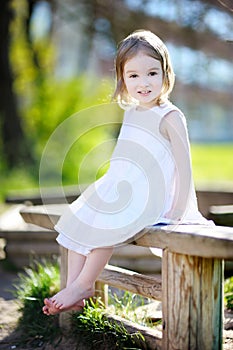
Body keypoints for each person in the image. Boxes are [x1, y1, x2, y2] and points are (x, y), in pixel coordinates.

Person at [43, 29, 211, 316]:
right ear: (122, 78)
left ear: (165, 74)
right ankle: (73, 288)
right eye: (133, 75)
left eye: (152, 73)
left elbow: (185, 168)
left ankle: (84, 283)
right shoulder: (132, 112)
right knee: (81, 216)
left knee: (108, 216)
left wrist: (177, 210)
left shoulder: (170, 116)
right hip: (126, 186)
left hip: (155, 197)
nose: (143, 83)